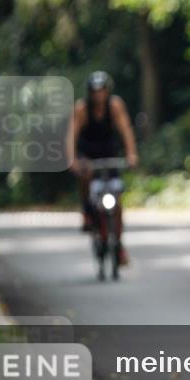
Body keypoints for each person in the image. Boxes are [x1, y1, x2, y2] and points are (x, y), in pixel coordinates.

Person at [66, 71, 139, 265]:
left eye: (101, 91)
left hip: (109, 153)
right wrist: (72, 160)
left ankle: (119, 244)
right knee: (86, 176)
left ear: (107, 92)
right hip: (88, 154)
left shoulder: (115, 106)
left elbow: (126, 131)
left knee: (117, 199)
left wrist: (131, 155)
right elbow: (71, 135)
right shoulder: (82, 109)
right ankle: (87, 213)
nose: (98, 95)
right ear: (90, 93)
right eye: (95, 92)